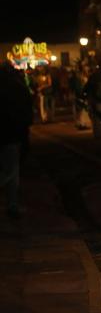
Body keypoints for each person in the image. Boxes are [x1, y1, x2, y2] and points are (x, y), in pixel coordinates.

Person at [0, 63, 33, 219]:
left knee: (9, 169)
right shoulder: (18, 88)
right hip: (12, 134)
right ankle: (12, 205)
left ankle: (12, 204)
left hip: (9, 133)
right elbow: (27, 111)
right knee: (12, 170)